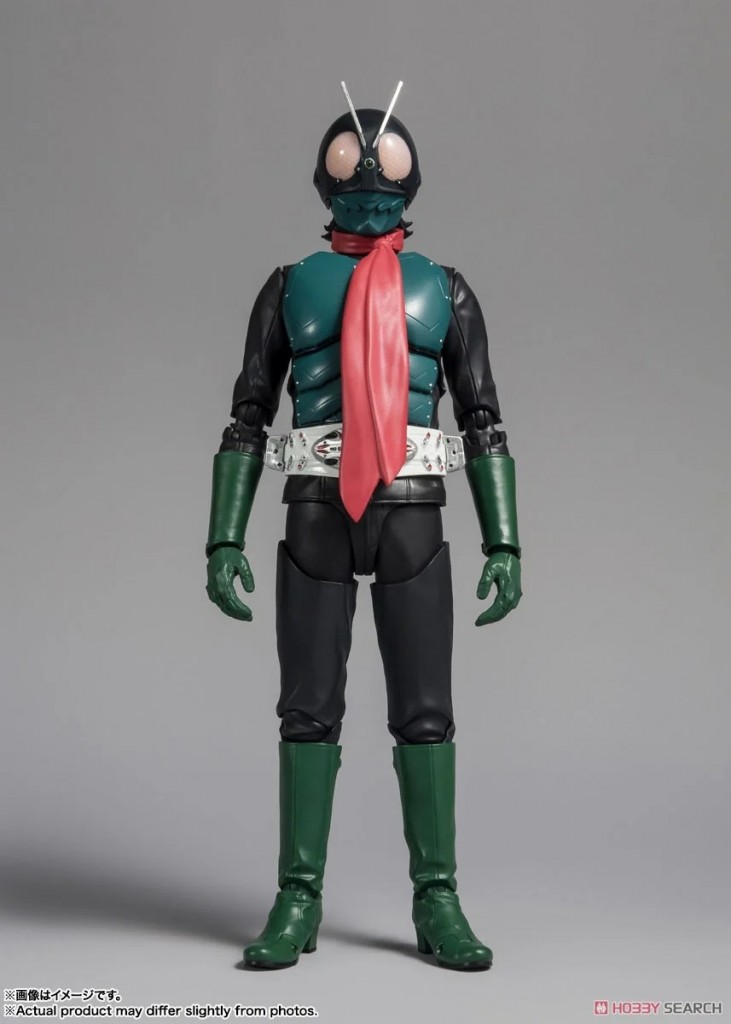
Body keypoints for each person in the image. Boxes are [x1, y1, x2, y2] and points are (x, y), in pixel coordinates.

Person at [205, 83, 522, 970]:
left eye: (386, 164)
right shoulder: (288, 288)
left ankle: (437, 897)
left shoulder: (444, 291)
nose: (371, 177)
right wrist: (222, 535)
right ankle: (297, 895)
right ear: (324, 177)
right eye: (352, 162)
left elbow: (483, 418)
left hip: (413, 513)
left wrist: (504, 538)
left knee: (426, 712)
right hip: (316, 509)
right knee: (306, 710)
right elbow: (247, 414)